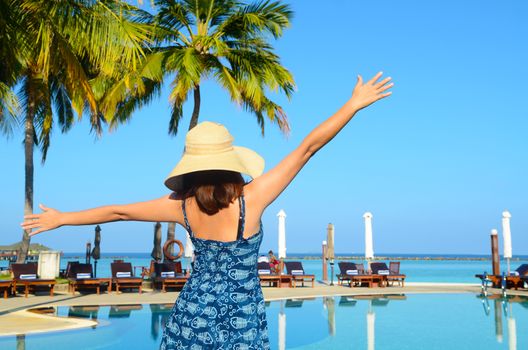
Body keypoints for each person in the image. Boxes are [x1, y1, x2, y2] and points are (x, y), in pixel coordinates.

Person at [21, 72, 392, 349]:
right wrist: (353, 104)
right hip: (241, 322)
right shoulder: (253, 197)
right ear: (232, 162)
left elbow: (119, 212)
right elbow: (308, 147)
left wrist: (62, 218)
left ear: (190, 167)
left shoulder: (183, 206)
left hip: (191, 315)